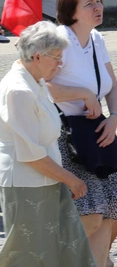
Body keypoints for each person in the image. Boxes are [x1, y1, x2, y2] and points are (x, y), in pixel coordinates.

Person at [46, 0, 117, 266]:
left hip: (100, 132)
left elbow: (111, 85)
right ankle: (51, 256)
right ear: (71, 11)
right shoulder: (57, 40)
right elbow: (41, 86)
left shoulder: (97, 39)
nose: (99, 7)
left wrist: (113, 118)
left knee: (110, 212)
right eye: (90, 4)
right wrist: (83, 94)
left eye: (98, 1)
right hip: (69, 138)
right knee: (91, 215)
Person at [0, 21, 96, 265]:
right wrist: (70, 178)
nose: (60, 63)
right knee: (30, 254)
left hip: (47, 178)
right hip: (27, 183)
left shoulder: (36, 80)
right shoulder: (18, 90)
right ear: (37, 56)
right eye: (56, 57)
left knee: (64, 246)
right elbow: (30, 153)